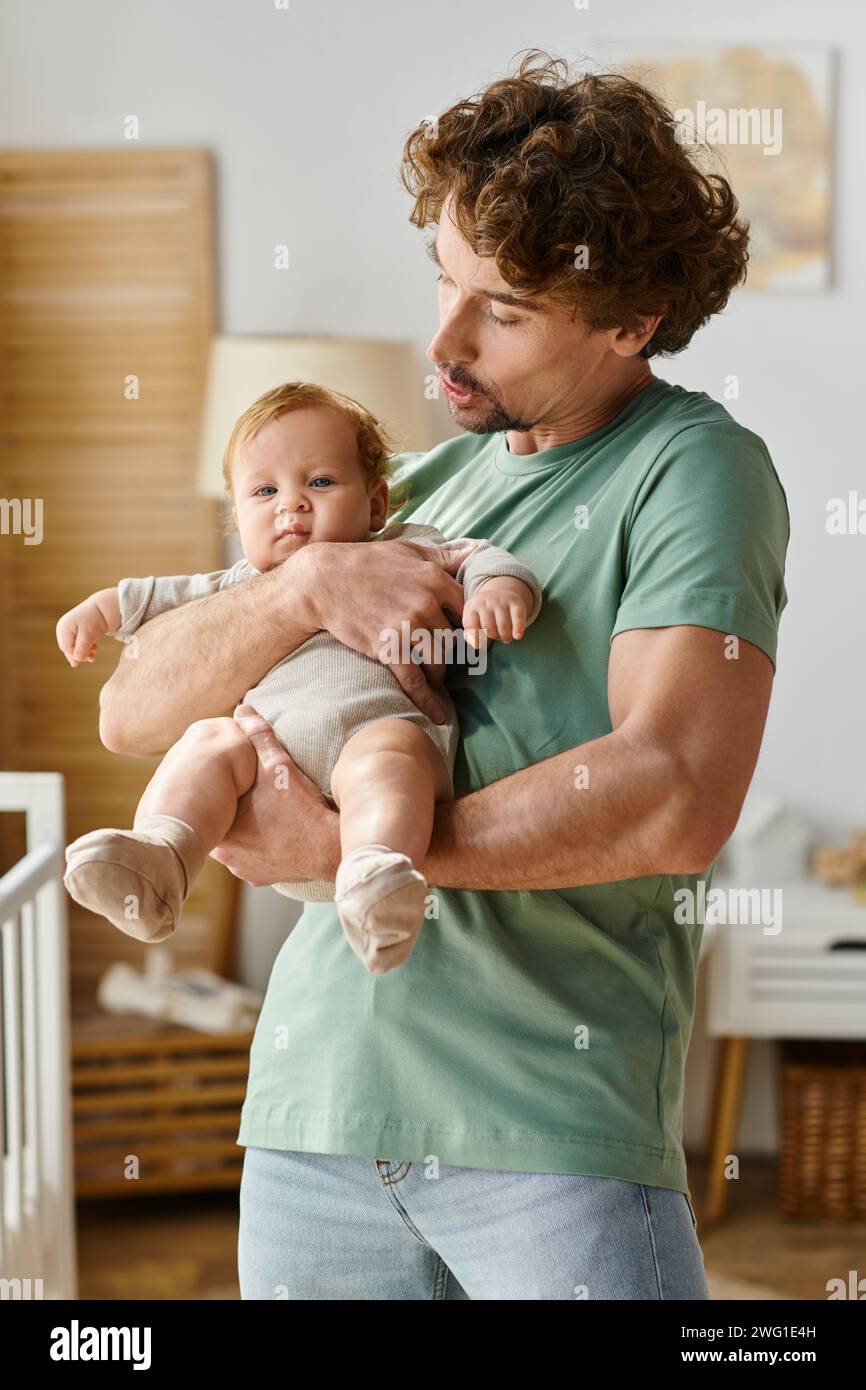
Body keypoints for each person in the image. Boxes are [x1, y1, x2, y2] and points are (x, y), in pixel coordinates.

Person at [96, 51, 790, 1299]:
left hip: (544, 1127)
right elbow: (132, 707)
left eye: (504, 311)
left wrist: (361, 854)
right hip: (313, 1109)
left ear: (627, 320)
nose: (444, 343)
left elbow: (677, 790)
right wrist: (301, 587)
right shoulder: (409, 489)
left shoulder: (692, 469)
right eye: (444, 279)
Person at [57, 381, 541, 974]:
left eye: (320, 482)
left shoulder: (405, 548)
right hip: (261, 761)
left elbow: (475, 556)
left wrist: (499, 588)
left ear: (378, 503)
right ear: (236, 516)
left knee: (388, 757)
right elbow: (158, 600)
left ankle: (376, 875)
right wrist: (102, 611)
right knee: (207, 741)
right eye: (265, 491)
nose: (292, 504)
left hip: (377, 728)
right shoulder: (239, 585)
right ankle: (164, 856)